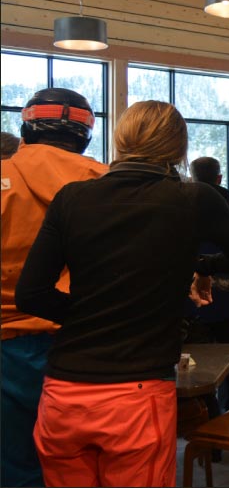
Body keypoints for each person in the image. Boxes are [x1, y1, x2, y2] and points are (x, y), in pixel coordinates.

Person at [15, 101, 229, 487]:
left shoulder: (71, 198)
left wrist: (87, 315)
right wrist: (202, 266)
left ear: (119, 140)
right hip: (137, 394)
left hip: (64, 393)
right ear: (178, 150)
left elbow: (30, 294)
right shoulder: (193, 198)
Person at [1, 89, 108, 487]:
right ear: (85, 136)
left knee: (17, 468)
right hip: (96, 346)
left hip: (10, 348)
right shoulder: (111, 184)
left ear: (26, 128)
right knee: (91, 467)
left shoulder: (3, 183)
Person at [185, 156, 229, 414]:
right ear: (220, 178)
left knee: (195, 368)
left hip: (192, 304)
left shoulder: (182, 204)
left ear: (192, 178)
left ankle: (206, 426)